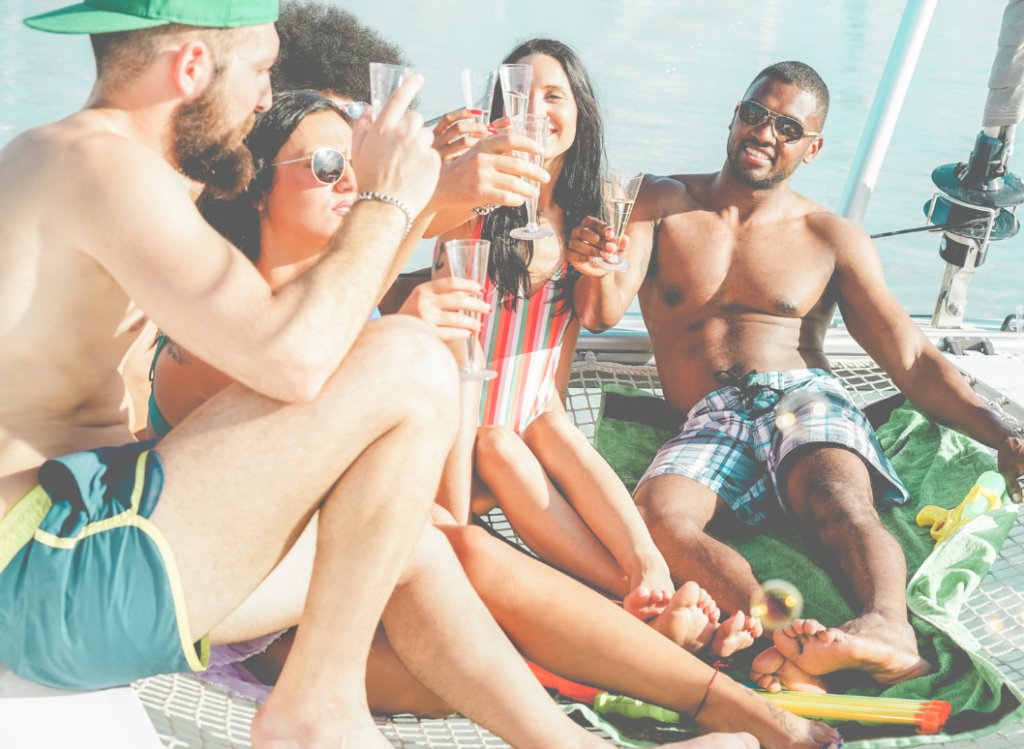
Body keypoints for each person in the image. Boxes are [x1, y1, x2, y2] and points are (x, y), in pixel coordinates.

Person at [0, 5, 700, 749]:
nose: (267, 96)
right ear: (193, 66)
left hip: (82, 552)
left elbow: (296, 291)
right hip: (48, 567)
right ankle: (317, 706)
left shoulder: (88, 165)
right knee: (410, 358)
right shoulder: (103, 165)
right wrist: (387, 197)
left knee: (408, 544)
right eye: (262, 70)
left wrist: (431, 192)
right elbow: (294, 356)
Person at [146, 84, 841, 749]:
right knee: (457, 572)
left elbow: (413, 496)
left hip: (341, 578)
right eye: (328, 166)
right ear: (257, 186)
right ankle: (673, 670)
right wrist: (406, 328)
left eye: (355, 165)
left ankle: (713, 691)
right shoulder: (229, 314)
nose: (352, 184)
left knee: (457, 572)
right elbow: (298, 471)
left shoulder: (340, 304)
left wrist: (443, 352)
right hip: (241, 601)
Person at [569, 60, 1024, 694]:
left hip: (802, 395)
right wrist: (593, 259)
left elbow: (913, 360)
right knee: (655, 519)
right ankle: (781, 639)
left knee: (837, 502)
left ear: (812, 148)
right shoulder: (657, 201)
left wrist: (1002, 434)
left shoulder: (830, 237)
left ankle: (888, 628)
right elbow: (602, 312)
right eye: (755, 113)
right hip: (710, 416)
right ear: (735, 116)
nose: (764, 132)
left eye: (787, 126)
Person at [431, 39, 761, 655]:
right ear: (496, 111)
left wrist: (601, 266)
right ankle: (632, 597)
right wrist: (441, 167)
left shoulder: (586, 216)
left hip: (527, 426)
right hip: (451, 439)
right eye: (519, 96)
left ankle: (648, 580)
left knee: (537, 428)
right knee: (501, 441)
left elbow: (594, 323)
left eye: (554, 96)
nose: (536, 111)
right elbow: (415, 229)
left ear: (580, 112)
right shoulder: (470, 201)